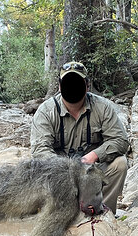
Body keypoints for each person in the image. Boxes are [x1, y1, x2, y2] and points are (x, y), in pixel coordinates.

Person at [30, 61, 130, 214]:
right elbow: (40, 151)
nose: (72, 87)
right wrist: (67, 169)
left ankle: (103, 212)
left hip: (90, 168)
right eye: (68, 83)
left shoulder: (102, 107)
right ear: (59, 86)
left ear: (87, 85)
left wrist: (94, 156)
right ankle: (55, 211)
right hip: (59, 172)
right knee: (34, 169)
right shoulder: (46, 111)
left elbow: (121, 140)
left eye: (77, 83)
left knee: (120, 163)